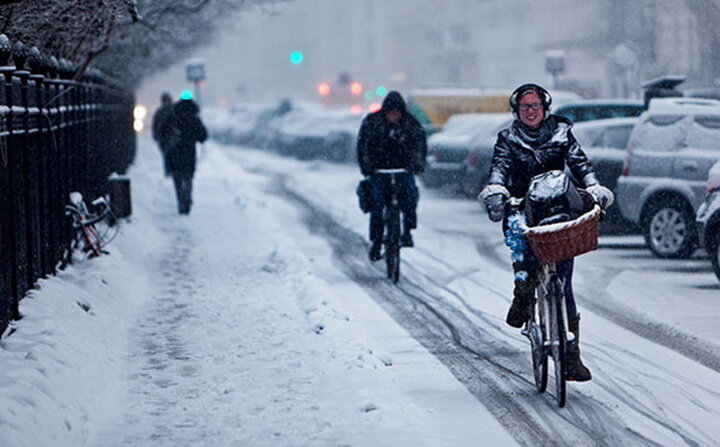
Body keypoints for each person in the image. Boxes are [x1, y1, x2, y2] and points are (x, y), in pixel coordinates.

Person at [479, 83, 614, 382]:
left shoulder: (562, 134)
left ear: (545, 108)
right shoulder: (507, 139)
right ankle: (523, 292)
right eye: (524, 106)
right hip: (521, 208)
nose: (530, 111)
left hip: (556, 208)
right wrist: (498, 192)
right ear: (516, 110)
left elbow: (580, 163)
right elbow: (499, 168)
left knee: (563, 284)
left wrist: (593, 186)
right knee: (524, 257)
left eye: (535, 106)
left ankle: (571, 356)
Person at [357, 91, 427, 261]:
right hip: (379, 172)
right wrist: (366, 167)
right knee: (377, 205)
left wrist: (417, 164)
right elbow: (362, 145)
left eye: (397, 113)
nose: (394, 116)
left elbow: (420, 145)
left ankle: (408, 231)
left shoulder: (410, 124)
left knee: (410, 197)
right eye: (391, 113)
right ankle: (376, 241)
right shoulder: (372, 123)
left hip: (403, 170)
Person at [165, 97, 207, 215]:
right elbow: (203, 136)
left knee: (177, 177)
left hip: (175, 151)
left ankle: (180, 201)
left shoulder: (173, 117)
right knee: (188, 176)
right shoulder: (194, 119)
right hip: (189, 152)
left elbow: (164, 131)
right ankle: (187, 199)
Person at [151, 92, 175, 176]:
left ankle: (169, 172)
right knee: (173, 156)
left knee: (166, 156)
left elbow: (155, 126)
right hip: (172, 138)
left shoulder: (159, 112)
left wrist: (157, 137)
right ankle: (173, 171)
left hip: (164, 139)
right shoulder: (175, 110)